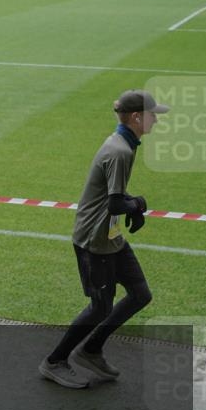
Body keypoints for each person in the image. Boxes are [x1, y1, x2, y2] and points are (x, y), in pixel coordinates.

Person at [39, 90, 168, 389]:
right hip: (93, 240)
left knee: (140, 294)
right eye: (153, 115)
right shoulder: (120, 150)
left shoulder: (126, 143)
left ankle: (91, 350)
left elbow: (115, 196)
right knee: (100, 307)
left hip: (109, 235)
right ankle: (55, 361)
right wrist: (138, 204)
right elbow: (114, 204)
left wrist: (132, 205)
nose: (156, 121)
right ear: (137, 117)